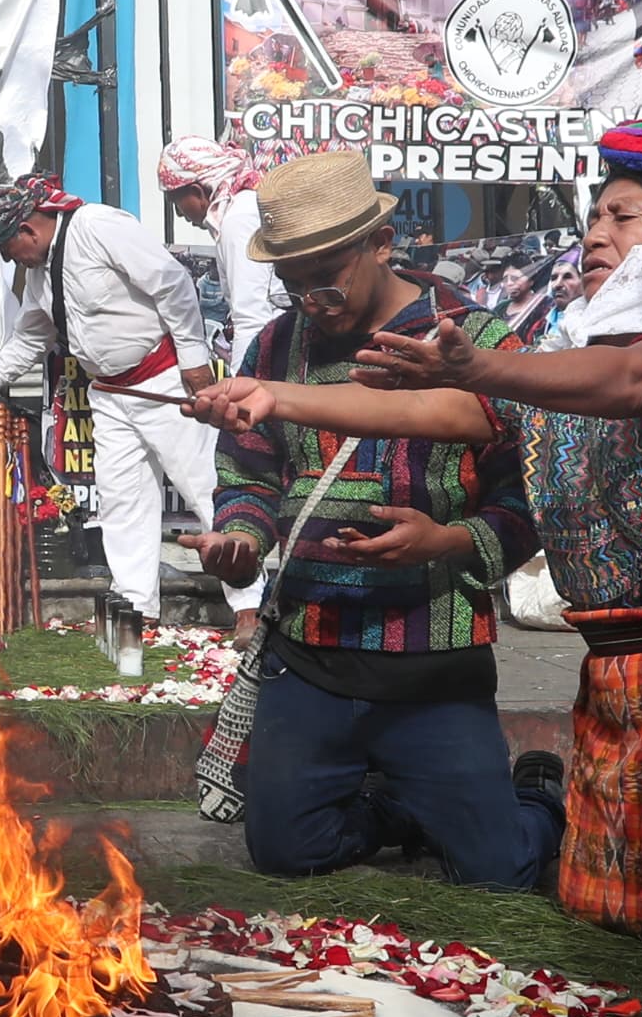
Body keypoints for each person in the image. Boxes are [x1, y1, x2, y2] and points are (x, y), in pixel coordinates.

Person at [233, 117, 642, 958]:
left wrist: (453, 530)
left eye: (630, 218)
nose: (601, 235)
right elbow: (427, 413)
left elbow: (631, 381)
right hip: (583, 658)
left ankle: (517, 801)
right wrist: (266, 435)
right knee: (600, 893)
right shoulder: (567, 335)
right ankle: (438, 803)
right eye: (597, 217)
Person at [190, 151, 553, 888]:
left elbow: (528, 496)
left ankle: (538, 791)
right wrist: (241, 536)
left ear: (381, 243)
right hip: (311, 651)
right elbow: (249, 470)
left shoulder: (472, 341)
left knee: (500, 870)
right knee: (285, 849)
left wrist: (450, 540)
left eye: (324, 275)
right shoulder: (274, 347)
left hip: (434, 660)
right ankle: (397, 808)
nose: (309, 299)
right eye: (290, 282)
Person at [0, 175, 229, 677]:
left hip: (162, 380)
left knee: (205, 488)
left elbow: (172, 282)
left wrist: (194, 359)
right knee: (122, 500)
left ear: (30, 229)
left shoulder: (98, 225)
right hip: (111, 394)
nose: (13, 261)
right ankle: (137, 610)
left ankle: (248, 605)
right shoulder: (41, 272)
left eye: (11, 249)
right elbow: (31, 336)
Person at [157, 136, 289, 368]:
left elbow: (252, 317)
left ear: (198, 191)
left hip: (276, 348)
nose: (179, 214)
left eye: (176, 202)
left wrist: (242, 383)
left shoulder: (237, 219)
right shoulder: (242, 208)